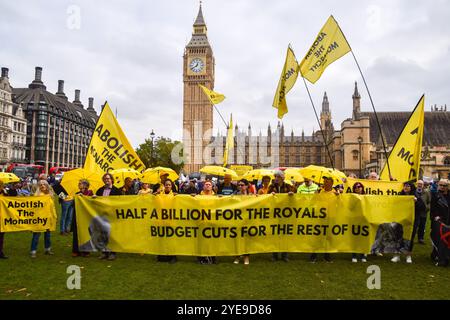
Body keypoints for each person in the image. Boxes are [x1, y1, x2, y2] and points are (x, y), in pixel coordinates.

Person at [391, 182, 425, 264]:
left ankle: (408, 255)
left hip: (412, 220)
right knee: (398, 236)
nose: (406, 187)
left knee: (410, 237)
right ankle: (397, 255)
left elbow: (423, 208)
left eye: (408, 186)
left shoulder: (416, 196)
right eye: (405, 186)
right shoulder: (400, 195)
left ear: (411, 187)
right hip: (401, 219)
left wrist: (416, 201)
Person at [310, 176, 338, 263]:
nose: (325, 183)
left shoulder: (335, 193)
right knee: (318, 237)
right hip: (320, 217)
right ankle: (313, 256)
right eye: (324, 181)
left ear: (331, 184)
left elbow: (340, 203)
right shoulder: (319, 191)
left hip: (331, 217)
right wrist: (315, 195)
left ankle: (327, 256)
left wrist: (339, 196)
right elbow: (312, 202)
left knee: (328, 238)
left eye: (327, 182)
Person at [95, 173, 122, 260]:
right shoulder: (99, 190)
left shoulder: (117, 191)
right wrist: (94, 198)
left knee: (112, 235)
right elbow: (96, 202)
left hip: (112, 216)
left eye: (108, 178)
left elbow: (121, 202)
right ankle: (104, 252)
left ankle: (113, 253)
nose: (107, 180)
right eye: (105, 179)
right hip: (102, 215)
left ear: (111, 180)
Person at [268, 170, 293, 262]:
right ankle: (274, 255)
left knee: (285, 235)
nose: (276, 179)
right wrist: (270, 195)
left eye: (278, 177)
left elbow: (296, 193)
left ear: (282, 178)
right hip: (275, 214)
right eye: (275, 177)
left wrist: (292, 194)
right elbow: (266, 196)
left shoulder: (288, 186)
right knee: (274, 235)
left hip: (285, 215)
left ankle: (284, 255)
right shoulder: (272, 187)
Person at [30, 180, 55, 258]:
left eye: (44, 184)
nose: (42, 186)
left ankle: (47, 249)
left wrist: (53, 216)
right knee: (36, 235)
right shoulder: (37, 196)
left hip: (48, 217)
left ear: (47, 186)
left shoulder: (50, 195)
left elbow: (52, 207)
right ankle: (33, 251)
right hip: (39, 218)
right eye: (40, 184)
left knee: (47, 234)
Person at [156, 179, 177, 264]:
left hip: (171, 220)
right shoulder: (160, 195)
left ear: (171, 186)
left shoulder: (175, 195)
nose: (168, 186)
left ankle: (173, 256)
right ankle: (161, 256)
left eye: (169, 185)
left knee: (171, 239)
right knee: (161, 238)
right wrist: (154, 194)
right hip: (162, 220)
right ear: (164, 186)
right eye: (166, 185)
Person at [430, 179, 450, 267]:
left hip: (448, 219)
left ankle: (438, 255)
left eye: (444, 185)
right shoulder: (435, 195)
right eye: (440, 185)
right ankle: (442, 258)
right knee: (440, 238)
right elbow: (432, 208)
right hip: (439, 220)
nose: (442, 187)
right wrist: (435, 217)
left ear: (447, 186)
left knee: (445, 239)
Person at [72, 179, 93, 257]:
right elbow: (72, 204)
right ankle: (76, 250)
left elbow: (92, 203)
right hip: (77, 216)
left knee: (86, 233)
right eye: (79, 183)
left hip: (86, 216)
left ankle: (86, 251)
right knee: (76, 233)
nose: (78, 185)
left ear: (85, 185)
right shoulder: (77, 194)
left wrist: (85, 197)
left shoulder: (90, 193)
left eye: (80, 183)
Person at [233, 179, 252, 265]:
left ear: (247, 186)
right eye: (239, 185)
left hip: (247, 220)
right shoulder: (235, 195)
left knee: (246, 239)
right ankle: (237, 256)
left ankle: (246, 257)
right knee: (237, 238)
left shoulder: (251, 195)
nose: (240, 187)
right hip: (237, 219)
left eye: (242, 185)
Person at [350, 182, 368, 263]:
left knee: (364, 238)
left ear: (362, 188)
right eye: (356, 187)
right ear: (354, 189)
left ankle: (363, 255)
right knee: (355, 238)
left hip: (364, 220)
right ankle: (354, 255)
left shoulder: (366, 196)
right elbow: (349, 207)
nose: (358, 188)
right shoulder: (351, 197)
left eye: (359, 186)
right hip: (355, 219)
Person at [416, 180, 431, 244]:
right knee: (414, 226)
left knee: (422, 226)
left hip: (423, 212)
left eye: (421, 184)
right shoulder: (413, 192)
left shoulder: (427, 192)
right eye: (418, 184)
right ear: (416, 184)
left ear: (423, 185)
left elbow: (429, 202)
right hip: (415, 212)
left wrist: (426, 208)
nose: (419, 185)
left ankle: (420, 239)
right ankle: (410, 239)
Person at [0, 181, 9, 259]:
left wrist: (5, 193)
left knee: (1, 235)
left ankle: (0, 252)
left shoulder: (3, 192)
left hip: (2, 216)